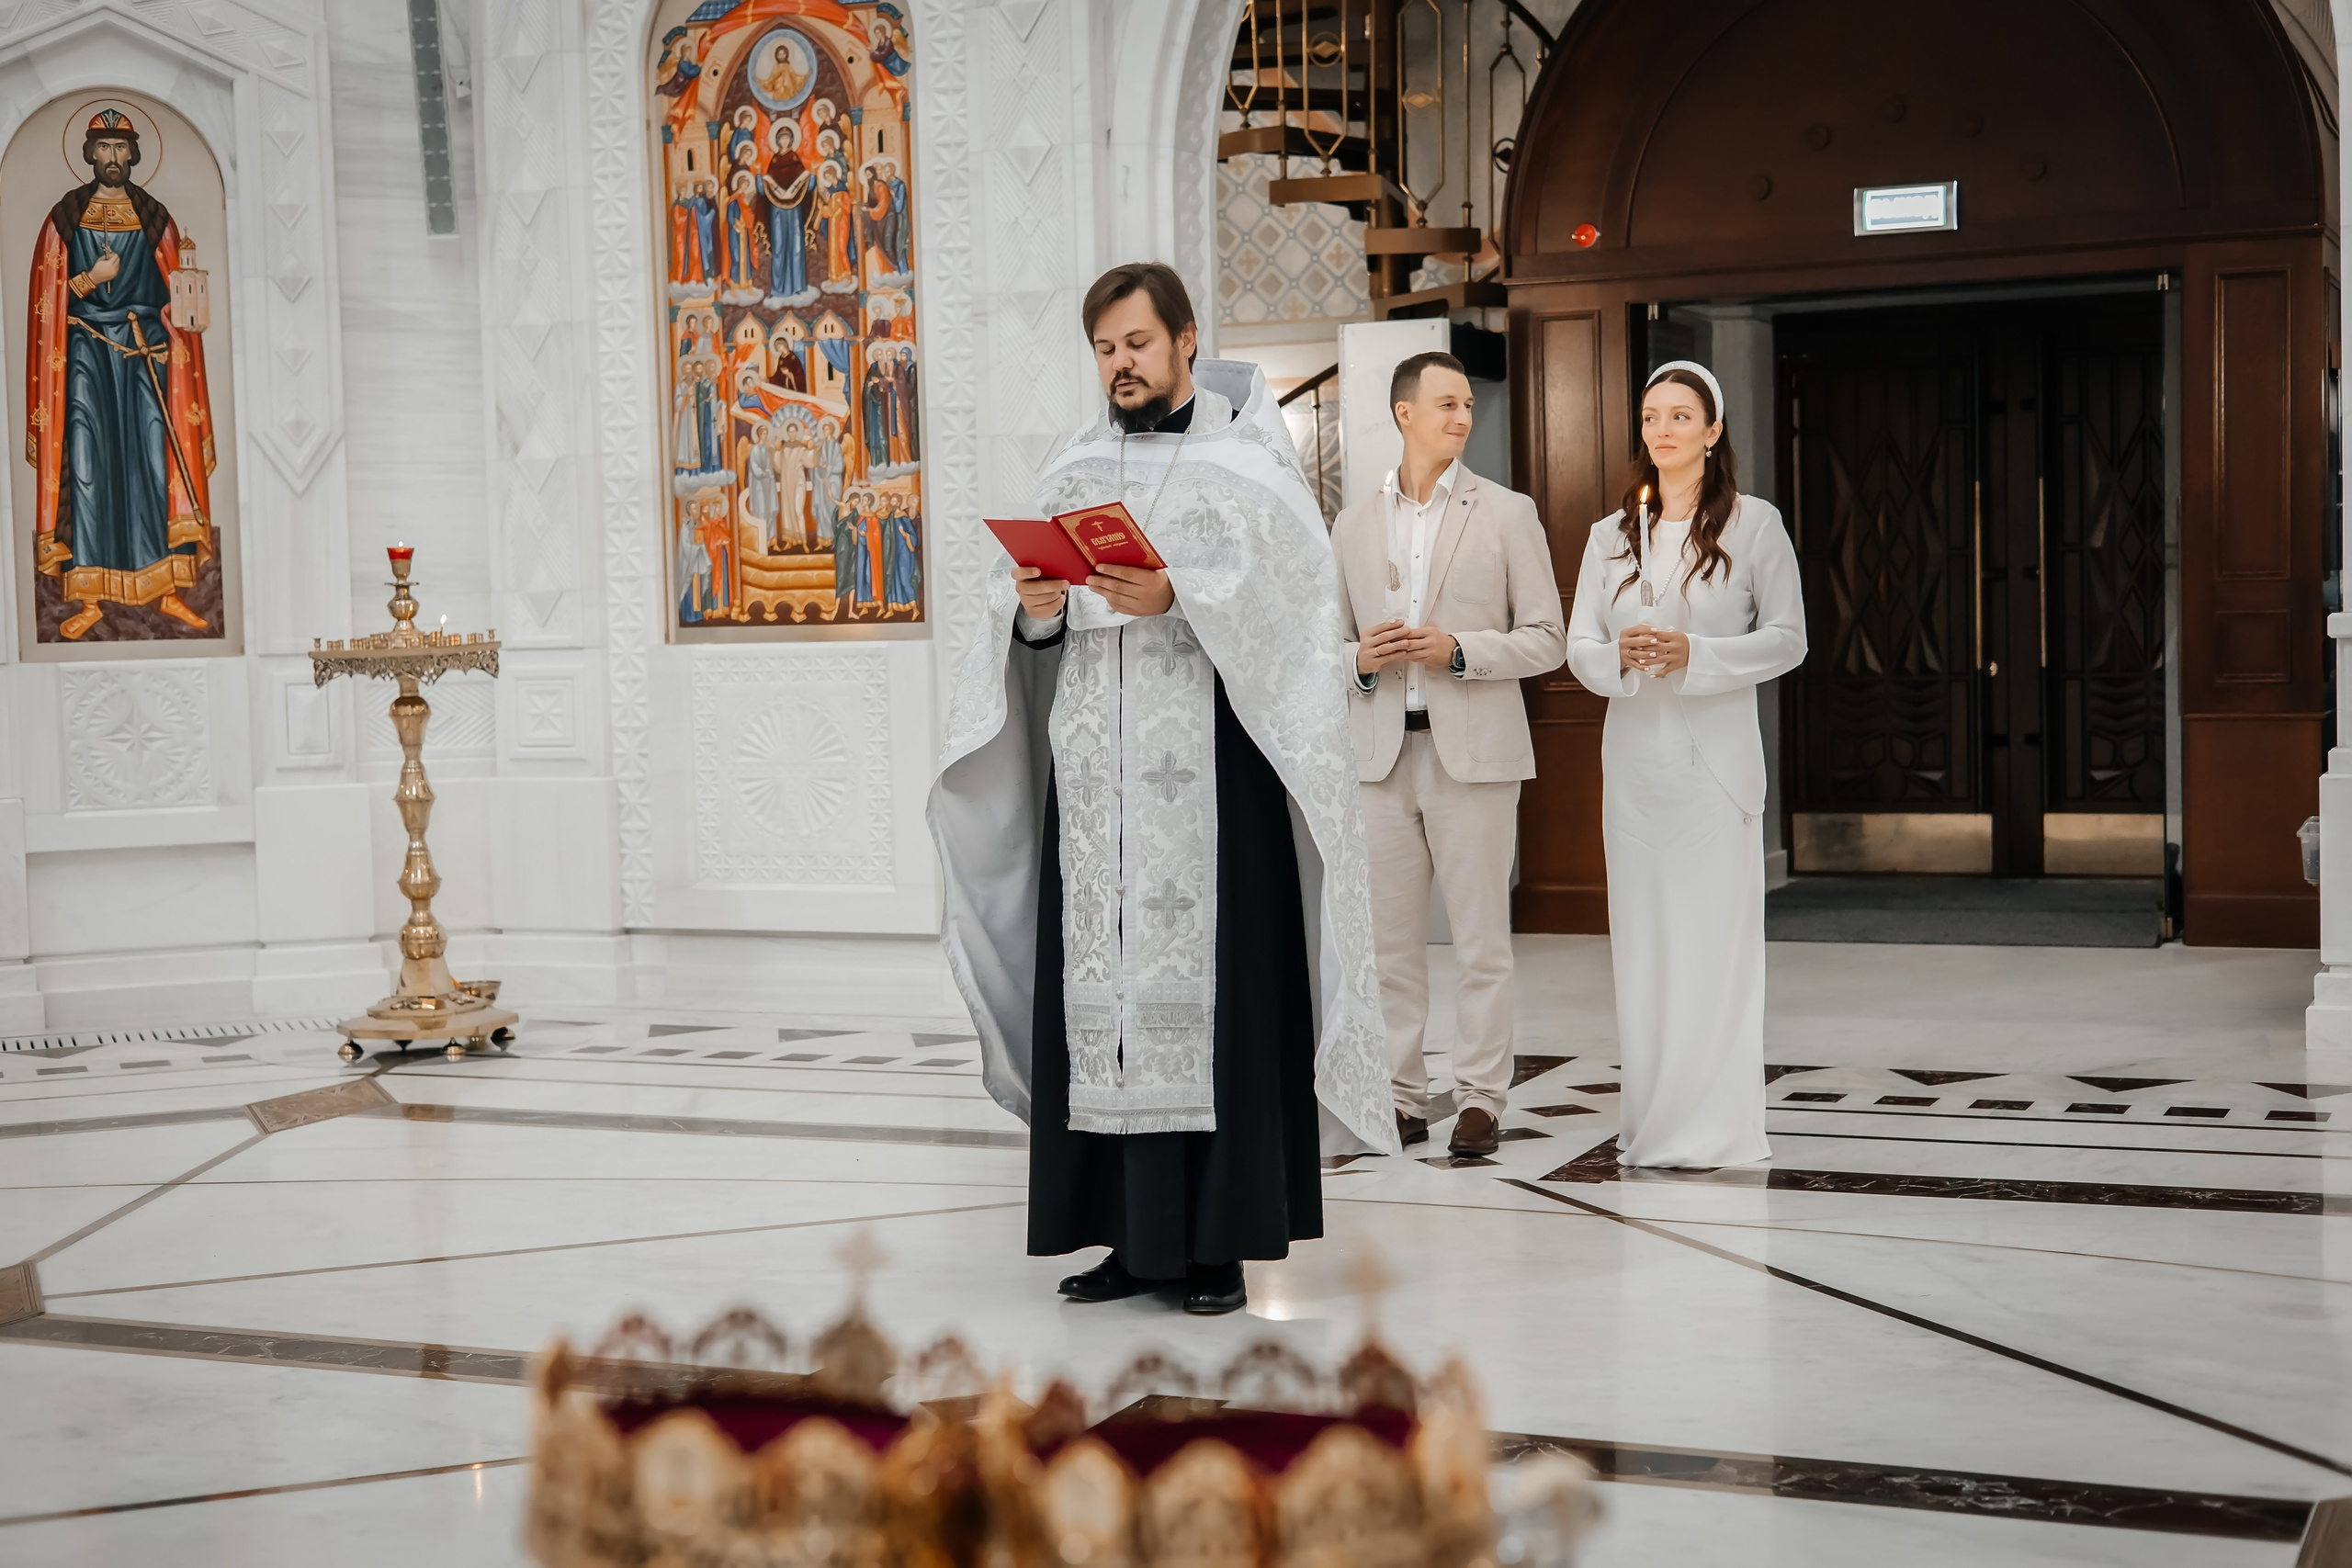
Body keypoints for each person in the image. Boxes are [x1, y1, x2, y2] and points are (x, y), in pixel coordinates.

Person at [929, 263, 1393, 1316]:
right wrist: (1037, 610)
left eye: (1136, 343)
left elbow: (1296, 619)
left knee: (1218, 1005)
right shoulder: (1072, 469)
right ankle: (1129, 1241)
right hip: (1097, 794)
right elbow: (1025, 639)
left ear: (1186, 340)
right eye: (1104, 349)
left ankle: (1217, 1245)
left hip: (1215, 787)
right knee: (1101, 1010)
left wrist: (1181, 593)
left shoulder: (1251, 468)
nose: (1120, 365)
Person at [1565, 362, 1805, 1168]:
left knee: (1712, 947)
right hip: (1637, 769)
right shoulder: (1610, 535)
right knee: (1646, 949)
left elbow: (1789, 639)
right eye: (1650, 415)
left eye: (1679, 415)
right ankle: (1654, 1123)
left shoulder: (1755, 524)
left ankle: (1717, 1126)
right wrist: (1621, 656)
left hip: (1715, 771)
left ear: (1713, 430)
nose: (1661, 429)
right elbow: (1580, 644)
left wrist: (1695, 652)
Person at [1334, 352, 1566, 1157]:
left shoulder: (1508, 512)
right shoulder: (1352, 524)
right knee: (1389, 949)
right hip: (1379, 761)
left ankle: (1480, 1099)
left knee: (1481, 943)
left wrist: (1460, 649)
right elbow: (1322, 647)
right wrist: (1359, 661)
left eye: (1467, 403)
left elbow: (1548, 637)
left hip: (1476, 759)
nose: (1463, 416)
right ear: (1404, 413)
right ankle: (1401, 1096)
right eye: (1447, 404)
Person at [26, 107, 219, 639]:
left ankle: (168, 590)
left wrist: (182, 316)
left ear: (133, 154)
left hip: (146, 355)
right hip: (86, 354)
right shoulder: (64, 219)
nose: (113, 157)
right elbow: (48, 302)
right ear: (90, 154)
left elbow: (175, 289)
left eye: (121, 148)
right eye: (104, 148)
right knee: (90, 465)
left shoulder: (156, 218)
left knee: (152, 466)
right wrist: (92, 278)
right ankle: (89, 598)